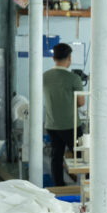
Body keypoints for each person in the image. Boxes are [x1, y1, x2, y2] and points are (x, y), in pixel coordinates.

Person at [42, 43, 84, 187]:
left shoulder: (44, 76)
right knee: (81, 156)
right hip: (71, 125)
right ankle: (85, 184)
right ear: (69, 58)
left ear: (53, 58)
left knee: (56, 156)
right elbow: (81, 102)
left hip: (51, 125)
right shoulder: (74, 78)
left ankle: (59, 186)